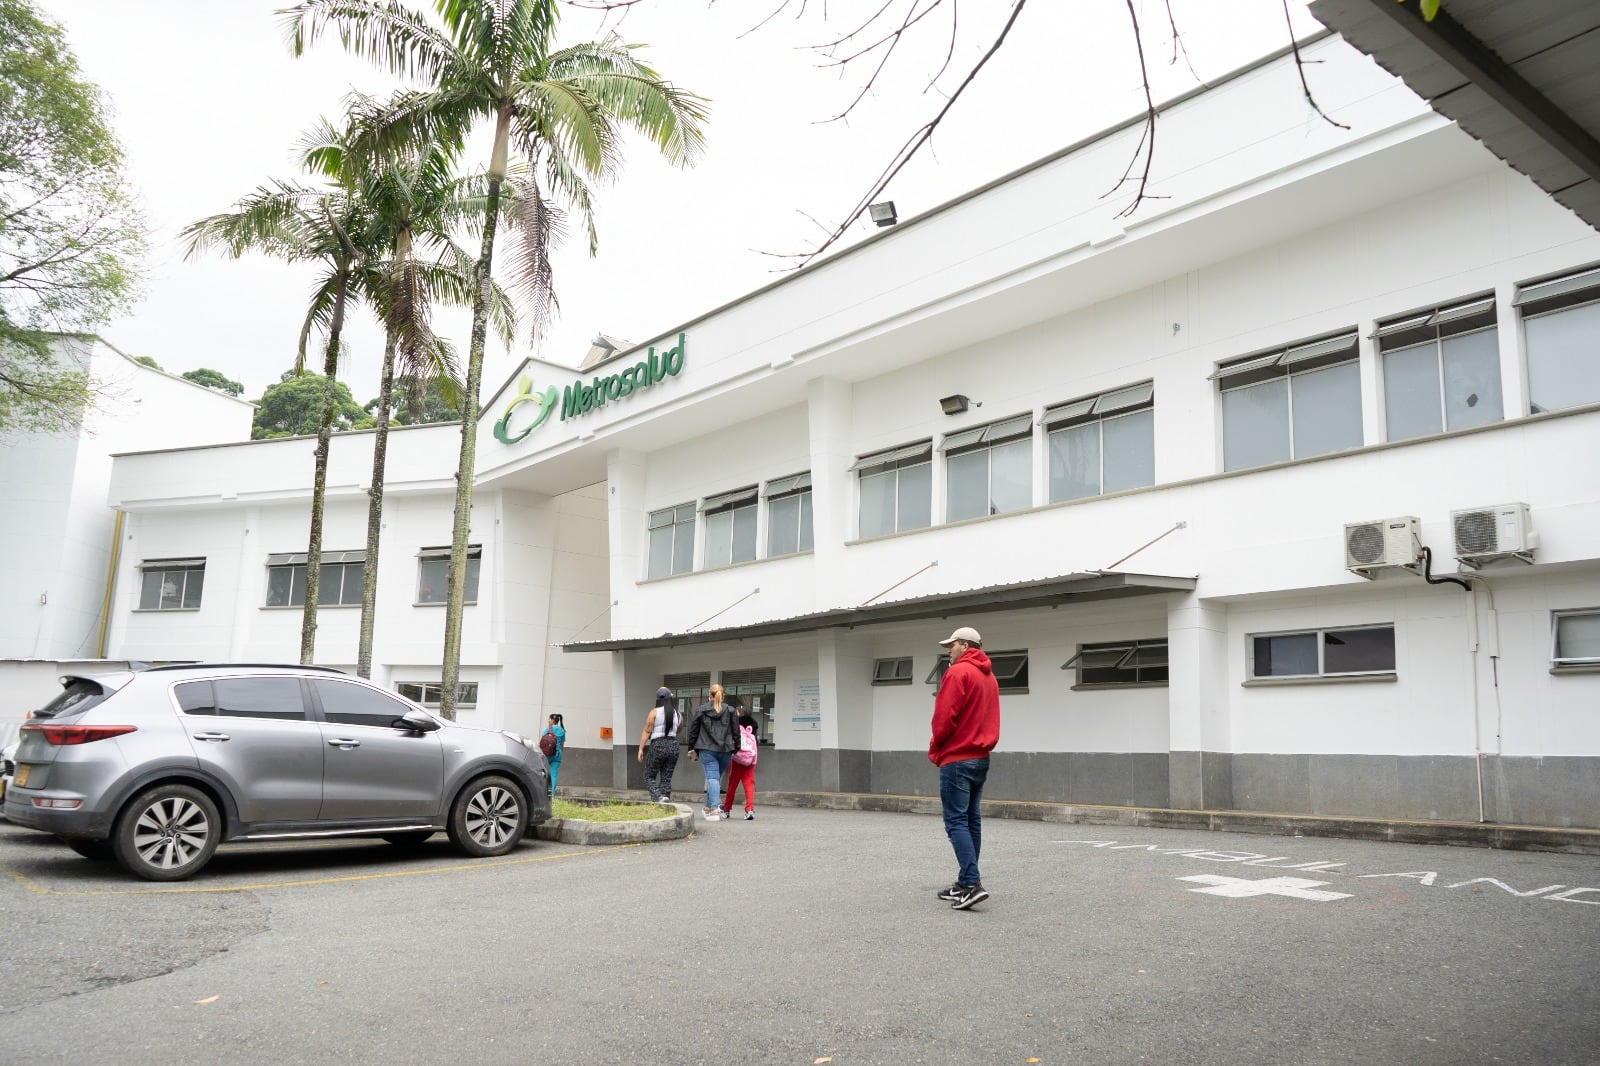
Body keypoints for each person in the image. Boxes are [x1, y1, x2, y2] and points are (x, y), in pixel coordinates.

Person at [929, 626, 1001, 911]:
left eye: (951, 646)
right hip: (980, 756)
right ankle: (964, 882)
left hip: (957, 757)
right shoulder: (989, 677)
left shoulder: (958, 673)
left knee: (956, 822)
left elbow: (944, 717)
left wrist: (936, 747)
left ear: (964, 645)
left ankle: (971, 884)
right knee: (971, 820)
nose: (949, 650)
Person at [685, 683, 740, 821]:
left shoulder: (701, 710)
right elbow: (736, 732)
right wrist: (736, 748)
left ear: (709, 695)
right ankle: (707, 808)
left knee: (712, 779)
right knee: (715, 778)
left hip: (707, 749)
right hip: (726, 750)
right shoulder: (731, 710)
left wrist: (691, 748)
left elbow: (694, 731)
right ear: (723, 696)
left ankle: (714, 809)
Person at [637, 687, 681, 803]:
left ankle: (658, 797)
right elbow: (679, 729)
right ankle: (665, 798)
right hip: (673, 745)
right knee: (666, 777)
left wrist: (641, 748)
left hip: (658, 745)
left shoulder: (654, 712)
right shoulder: (677, 713)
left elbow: (647, 731)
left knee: (648, 775)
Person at [720, 696, 759, 821]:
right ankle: (749, 809)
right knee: (749, 784)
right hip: (750, 759)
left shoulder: (734, 723)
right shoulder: (754, 725)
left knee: (732, 785)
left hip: (737, 758)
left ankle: (726, 809)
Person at [542, 713, 566, 797]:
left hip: (547, 754)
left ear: (552, 720)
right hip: (557, 755)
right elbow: (562, 744)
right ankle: (552, 794)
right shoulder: (562, 730)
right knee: (554, 774)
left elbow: (543, 740)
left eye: (549, 719)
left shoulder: (547, 729)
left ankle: (542, 792)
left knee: (543, 772)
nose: (548, 720)